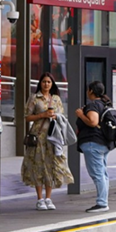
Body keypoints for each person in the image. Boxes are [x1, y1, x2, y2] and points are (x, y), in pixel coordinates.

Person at [21, 73, 74, 210]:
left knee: (51, 166)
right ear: (40, 83)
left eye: (49, 82)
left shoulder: (56, 99)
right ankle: (39, 199)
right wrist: (42, 115)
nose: (46, 84)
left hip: (52, 137)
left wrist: (55, 116)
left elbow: (62, 116)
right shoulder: (34, 98)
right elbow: (27, 117)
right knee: (37, 166)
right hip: (37, 137)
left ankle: (49, 198)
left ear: (52, 84)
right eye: (44, 82)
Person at [75, 80, 111, 213]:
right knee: (102, 173)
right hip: (102, 143)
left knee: (97, 174)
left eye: (87, 90)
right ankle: (103, 201)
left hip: (93, 143)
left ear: (91, 91)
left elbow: (93, 121)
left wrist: (80, 115)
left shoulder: (93, 105)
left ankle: (102, 203)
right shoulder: (104, 104)